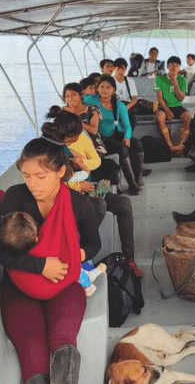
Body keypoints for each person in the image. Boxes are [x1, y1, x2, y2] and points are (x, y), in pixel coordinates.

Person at [0, 138, 105, 384]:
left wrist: (76, 253)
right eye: (27, 176)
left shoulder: (78, 204)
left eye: (41, 176)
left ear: (61, 172)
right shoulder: (15, 197)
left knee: (63, 338)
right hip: (19, 289)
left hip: (65, 285)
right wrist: (40, 265)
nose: (32, 184)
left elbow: (94, 244)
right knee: (33, 357)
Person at [43, 113, 143, 278]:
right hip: (67, 195)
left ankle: (129, 258)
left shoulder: (71, 143)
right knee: (98, 204)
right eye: (70, 141)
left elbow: (95, 161)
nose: (72, 144)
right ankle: (79, 255)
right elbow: (48, 185)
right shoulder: (49, 151)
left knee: (124, 203)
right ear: (62, 135)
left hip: (85, 188)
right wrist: (77, 185)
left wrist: (82, 164)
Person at [85, 75, 146, 195]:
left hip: (116, 134)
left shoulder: (120, 105)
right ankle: (132, 184)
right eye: (102, 87)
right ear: (97, 88)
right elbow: (78, 107)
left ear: (114, 89)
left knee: (137, 144)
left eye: (108, 87)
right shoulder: (90, 100)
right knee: (121, 148)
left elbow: (127, 126)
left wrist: (127, 138)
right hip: (101, 138)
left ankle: (138, 178)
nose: (104, 90)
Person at [154, 55, 191, 154]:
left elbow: (181, 98)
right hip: (165, 106)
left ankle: (180, 145)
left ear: (179, 68)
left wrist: (175, 84)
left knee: (187, 116)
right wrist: (167, 110)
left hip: (177, 106)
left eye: (177, 66)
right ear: (167, 66)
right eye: (172, 65)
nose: (175, 68)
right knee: (159, 117)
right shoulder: (160, 78)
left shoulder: (183, 80)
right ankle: (170, 146)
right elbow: (160, 98)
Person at [113, 57, 140, 131]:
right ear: (114, 68)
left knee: (132, 119)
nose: (120, 71)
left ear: (125, 69)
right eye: (118, 68)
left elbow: (134, 98)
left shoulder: (130, 81)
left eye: (123, 69)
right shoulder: (111, 81)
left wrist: (125, 108)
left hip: (127, 106)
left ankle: (128, 135)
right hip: (114, 106)